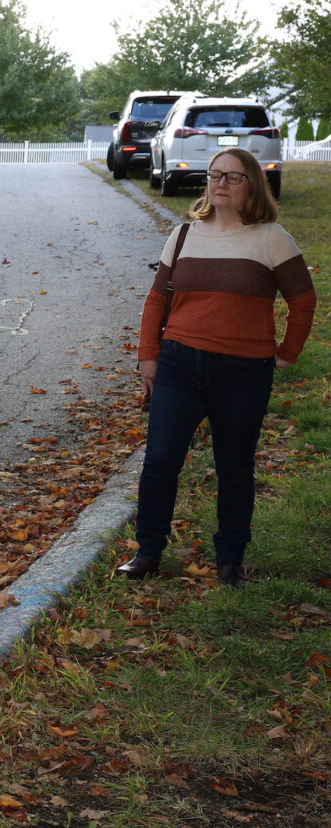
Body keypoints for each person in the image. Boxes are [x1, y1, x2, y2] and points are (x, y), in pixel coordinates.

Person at [118, 148, 315, 587]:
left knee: (235, 465)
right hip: (178, 364)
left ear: (253, 186)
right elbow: (157, 299)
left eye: (234, 177)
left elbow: (303, 300)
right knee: (161, 460)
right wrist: (147, 355)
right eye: (215, 175)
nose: (222, 183)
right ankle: (148, 553)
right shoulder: (184, 234)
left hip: (244, 371)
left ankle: (229, 561)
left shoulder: (271, 238)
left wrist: (287, 352)